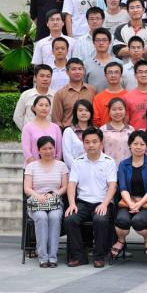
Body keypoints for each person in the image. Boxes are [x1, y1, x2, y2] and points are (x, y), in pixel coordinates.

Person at [64, 127, 117, 268]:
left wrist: (105, 204)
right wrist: (72, 204)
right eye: (87, 142)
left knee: (100, 219)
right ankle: (79, 256)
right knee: (70, 219)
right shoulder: (78, 162)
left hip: (102, 202)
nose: (91, 145)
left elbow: (112, 186)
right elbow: (71, 185)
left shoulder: (109, 162)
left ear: (101, 143)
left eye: (94, 141)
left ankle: (99, 256)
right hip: (82, 202)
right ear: (83, 144)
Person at [112, 130, 147, 259]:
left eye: (142, 144)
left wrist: (139, 204)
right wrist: (131, 204)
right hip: (127, 202)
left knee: (138, 221)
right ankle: (121, 240)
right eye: (135, 143)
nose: (138, 147)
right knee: (121, 220)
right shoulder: (123, 164)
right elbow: (122, 187)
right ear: (130, 145)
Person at [23, 136, 69, 267]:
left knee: (54, 217)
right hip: (36, 202)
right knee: (41, 217)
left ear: (54, 149)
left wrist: (54, 194)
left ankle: (53, 257)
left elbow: (65, 187)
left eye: (50, 148)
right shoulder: (31, 166)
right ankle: (43, 257)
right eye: (44, 149)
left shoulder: (61, 165)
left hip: (55, 202)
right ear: (38, 150)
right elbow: (27, 188)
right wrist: (38, 196)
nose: (48, 151)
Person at [21, 95, 62, 164]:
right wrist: (37, 167)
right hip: (32, 167)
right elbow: (26, 151)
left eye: (47, 105)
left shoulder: (56, 128)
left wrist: (54, 166)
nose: (44, 108)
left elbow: (59, 151)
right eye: (41, 105)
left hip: (52, 167)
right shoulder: (27, 128)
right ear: (33, 108)